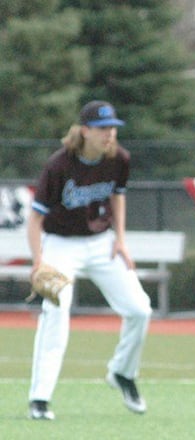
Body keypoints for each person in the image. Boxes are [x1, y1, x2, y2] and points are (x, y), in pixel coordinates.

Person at [27, 100, 152, 420]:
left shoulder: (119, 159)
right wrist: (39, 261)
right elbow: (35, 219)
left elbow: (118, 195)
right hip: (60, 245)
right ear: (85, 131)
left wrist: (121, 240)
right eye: (102, 128)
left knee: (140, 308)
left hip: (101, 244)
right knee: (56, 309)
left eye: (112, 128)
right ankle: (40, 399)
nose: (109, 134)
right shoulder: (59, 165)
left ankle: (122, 372)